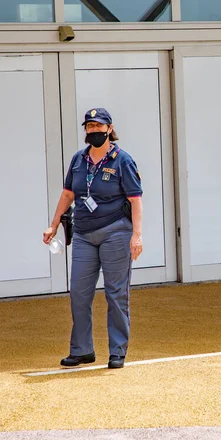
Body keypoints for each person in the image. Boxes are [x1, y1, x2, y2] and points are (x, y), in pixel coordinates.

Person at [43, 108, 143, 370]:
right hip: (84, 234)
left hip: (115, 231)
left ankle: (117, 351)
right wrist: (53, 225)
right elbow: (67, 194)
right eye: (89, 127)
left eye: (98, 127)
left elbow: (135, 200)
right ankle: (82, 350)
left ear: (109, 129)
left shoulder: (123, 161)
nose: (93, 131)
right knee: (79, 292)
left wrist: (137, 236)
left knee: (115, 293)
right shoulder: (78, 160)